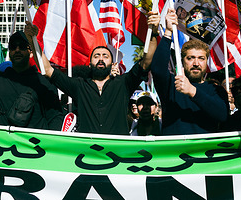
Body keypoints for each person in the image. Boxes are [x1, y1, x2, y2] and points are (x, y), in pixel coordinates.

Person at [25, 12, 160, 135]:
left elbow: (146, 62)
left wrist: (153, 34)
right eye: (96, 56)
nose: (101, 58)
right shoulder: (79, 86)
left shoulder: (124, 83)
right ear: (89, 64)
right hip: (88, 154)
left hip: (118, 152)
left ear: (113, 64)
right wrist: (32, 41)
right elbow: (48, 70)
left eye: (105, 56)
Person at [151, 10, 229, 135]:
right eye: (190, 58)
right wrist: (168, 32)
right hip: (175, 152)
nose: (196, 63)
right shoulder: (172, 84)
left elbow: (222, 115)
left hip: (205, 152)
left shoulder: (216, 90)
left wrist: (192, 91)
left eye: (201, 58)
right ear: (183, 61)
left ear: (206, 62)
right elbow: (157, 69)